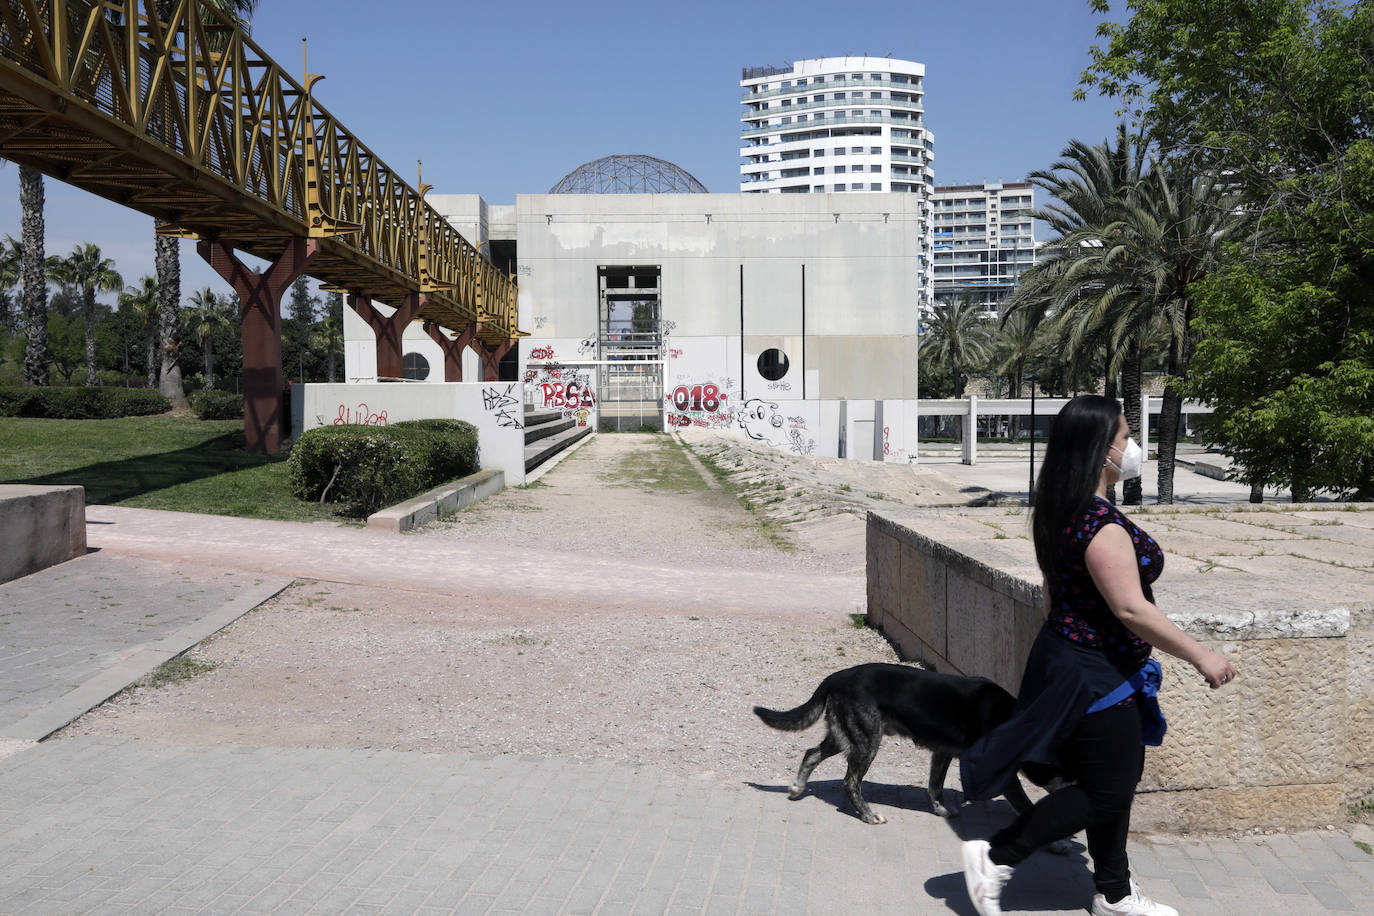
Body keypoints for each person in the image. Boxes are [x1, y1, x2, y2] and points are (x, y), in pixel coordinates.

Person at [958, 395, 1237, 916]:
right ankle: (995, 857)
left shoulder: (1059, 512)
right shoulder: (1100, 525)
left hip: (1071, 660)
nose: (1133, 448)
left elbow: (1050, 594)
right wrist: (1202, 656)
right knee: (1109, 792)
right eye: (1126, 437)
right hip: (1095, 674)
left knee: (1109, 782)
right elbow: (1130, 608)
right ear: (1099, 450)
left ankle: (1114, 893)